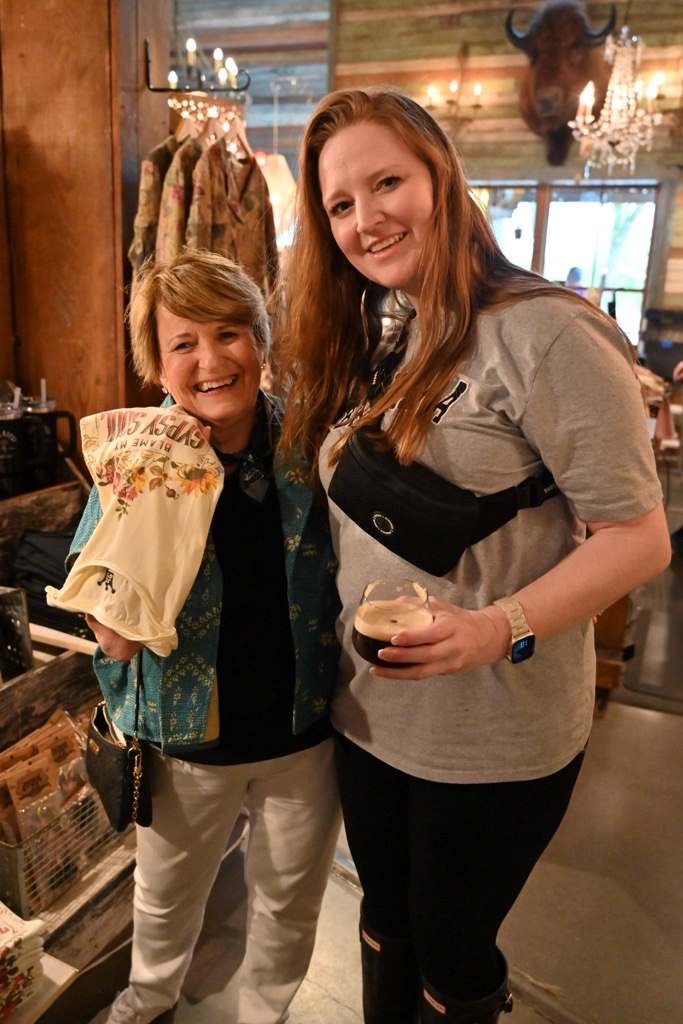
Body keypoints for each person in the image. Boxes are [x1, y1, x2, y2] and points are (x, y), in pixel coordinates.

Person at [276, 88, 671, 1024]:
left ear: (441, 177)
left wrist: (497, 627)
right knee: (384, 919)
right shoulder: (391, 328)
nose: (365, 220)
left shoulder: (547, 331)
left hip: (493, 733)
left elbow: (638, 537)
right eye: (340, 204)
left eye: (386, 183)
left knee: (452, 949)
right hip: (370, 715)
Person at [71, 251, 341, 1024]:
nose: (210, 360)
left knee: (289, 902)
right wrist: (136, 552)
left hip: (303, 730)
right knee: (163, 902)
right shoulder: (137, 457)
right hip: (186, 740)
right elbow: (109, 626)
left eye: (228, 333)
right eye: (183, 343)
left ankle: (265, 1013)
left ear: (260, 340)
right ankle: (145, 1004)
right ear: (158, 364)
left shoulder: (310, 442)